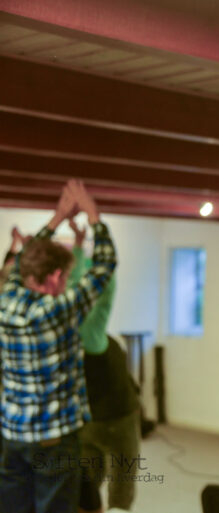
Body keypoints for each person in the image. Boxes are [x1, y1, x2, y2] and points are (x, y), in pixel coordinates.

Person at [0, 180, 117, 513]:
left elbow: (23, 258)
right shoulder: (57, 309)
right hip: (52, 440)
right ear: (53, 278)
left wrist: (55, 220)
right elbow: (104, 266)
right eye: (65, 277)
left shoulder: (5, 299)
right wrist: (94, 215)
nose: (66, 284)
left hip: (12, 436)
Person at [64, 221, 141, 513]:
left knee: (86, 489)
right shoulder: (90, 334)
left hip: (87, 420)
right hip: (115, 421)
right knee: (121, 491)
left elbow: (74, 284)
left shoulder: (61, 325)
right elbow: (106, 286)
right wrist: (96, 227)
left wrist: (78, 244)